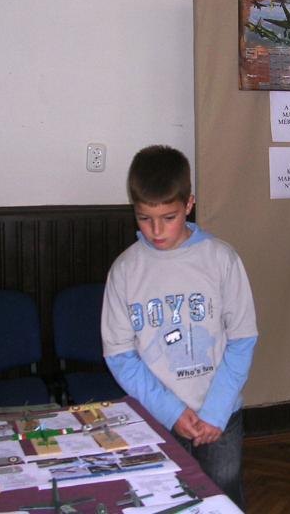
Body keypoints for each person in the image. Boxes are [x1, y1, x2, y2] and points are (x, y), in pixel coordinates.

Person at [101, 145, 258, 509]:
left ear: (189, 204)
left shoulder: (221, 260)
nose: (156, 231)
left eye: (168, 217)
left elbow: (243, 339)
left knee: (222, 497)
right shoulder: (125, 271)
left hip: (219, 416)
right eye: (144, 218)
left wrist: (215, 411)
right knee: (163, 501)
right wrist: (170, 411)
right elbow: (121, 355)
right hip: (156, 415)